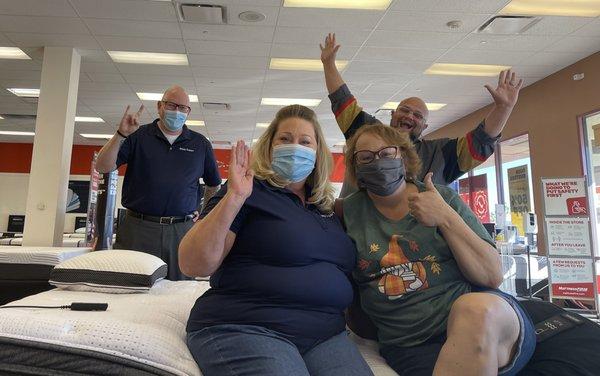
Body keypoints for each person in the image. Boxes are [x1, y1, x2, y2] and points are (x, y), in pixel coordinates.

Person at [179, 105, 373, 376]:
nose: (295, 147)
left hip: (324, 335)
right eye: (285, 139)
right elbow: (194, 264)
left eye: (305, 141)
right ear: (270, 147)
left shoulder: (326, 208)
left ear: (318, 154)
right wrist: (234, 197)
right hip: (247, 324)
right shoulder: (249, 191)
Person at [338, 124, 535, 376]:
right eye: (366, 158)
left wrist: (445, 218)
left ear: (403, 156)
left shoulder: (441, 198)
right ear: (355, 168)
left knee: (473, 309)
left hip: (485, 323)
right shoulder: (346, 213)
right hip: (410, 346)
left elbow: (491, 275)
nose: (378, 163)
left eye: (387, 154)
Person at [320, 33, 524, 188]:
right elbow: (342, 101)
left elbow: (481, 142)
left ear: (424, 126)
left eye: (417, 116)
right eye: (405, 110)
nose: (409, 116)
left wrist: (503, 108)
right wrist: (329, 64)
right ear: (392, 115)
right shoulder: (367, 134)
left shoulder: (440, 154)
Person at [95, 85, 221, 280]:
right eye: (171, 105)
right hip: (138, 227)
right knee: (133, 284)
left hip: (182, 230)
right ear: (159, 106)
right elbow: (102, 167)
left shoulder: (200, 144)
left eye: (183, 108)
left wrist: (204, 215)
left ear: (188, 112)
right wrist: (121, 135)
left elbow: (214, 184)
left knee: (180, 288)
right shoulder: (138, 136)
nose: (177, 111)